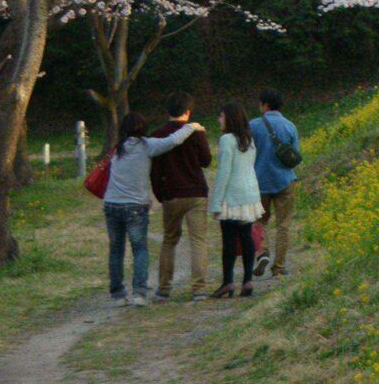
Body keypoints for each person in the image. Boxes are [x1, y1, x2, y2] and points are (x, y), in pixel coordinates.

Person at [101, 111, 204, 307]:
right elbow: (173, 141)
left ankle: (117, 294)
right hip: (135, 206)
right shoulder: (147, 145)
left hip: (111, 204)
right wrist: (191, 126)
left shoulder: (117, 149)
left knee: (116, 250)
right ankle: (139, 293)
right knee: (139, 249)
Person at [148, 92, 213, 300]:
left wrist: (160, 195)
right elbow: (206, 160)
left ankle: (164, 288)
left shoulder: (157, 135)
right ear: (188, 111)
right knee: (198, 240)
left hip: (171, 194)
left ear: (168, 111)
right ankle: (199, 289)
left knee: (169, 240)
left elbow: (154, 170)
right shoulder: (196, 133)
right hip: (196, 192)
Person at [207, 102, 264, 298]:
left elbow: (224, 173)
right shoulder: (248, 139)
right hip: (250, 194)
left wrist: (215, 203)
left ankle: (227, 282)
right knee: (246, 236)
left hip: (232, 195)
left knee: (229, 240)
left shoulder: (226, 140)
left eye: (221, 116)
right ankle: (248, 280)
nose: (219, 119)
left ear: (229, 118)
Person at [247, 88, 301, 278]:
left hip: (259, 181)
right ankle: (279, 267)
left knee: (259, 220)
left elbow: (245, 152)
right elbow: (295, 155)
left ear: (264, 104)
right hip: (285, 180)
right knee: (283, 224)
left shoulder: (253, 125)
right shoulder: (289, 126)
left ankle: (262, 251)